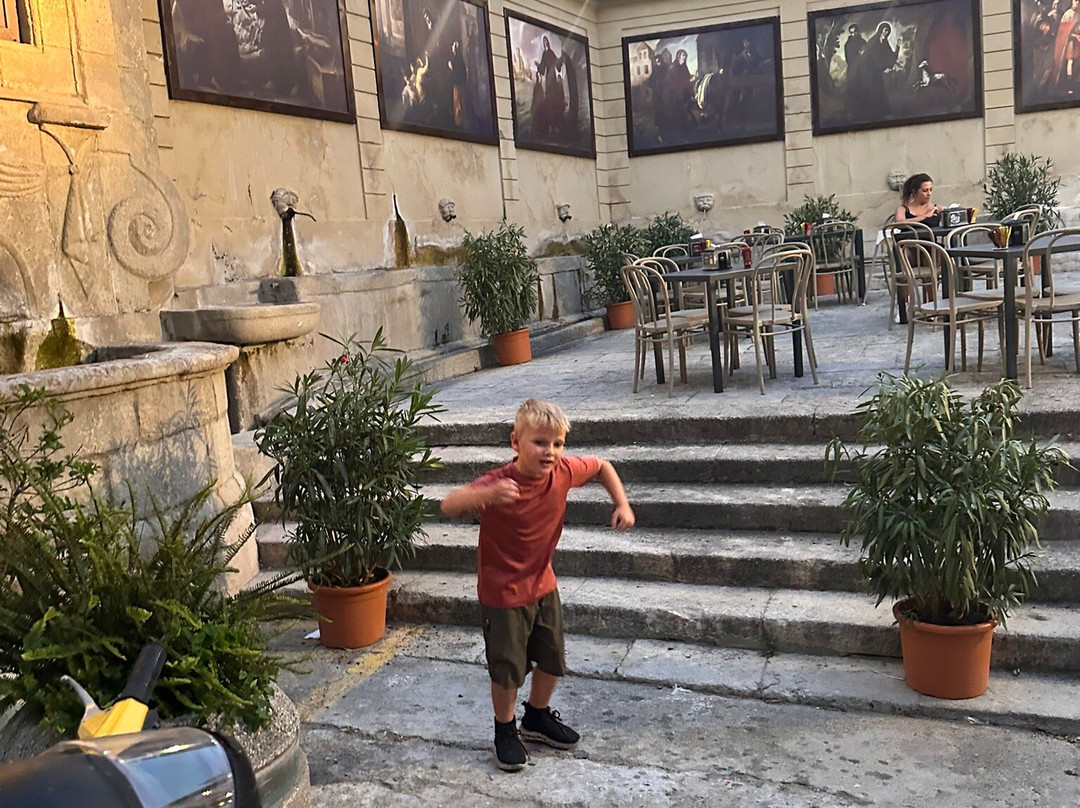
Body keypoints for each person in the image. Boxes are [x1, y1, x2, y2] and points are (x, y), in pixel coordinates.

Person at [440, 399, 635, 772]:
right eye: (540, 443)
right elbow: (449, 504)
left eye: (558, 443)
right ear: (516, 442)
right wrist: (487, 496)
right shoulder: (499, 482)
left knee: (552, 658)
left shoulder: (562, 471)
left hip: (543, 584)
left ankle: (537, 717)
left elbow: (602, 466)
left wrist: (622, 504)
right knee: (508, 669)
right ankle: (505, 730)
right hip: (503, 593)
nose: (551, 452)